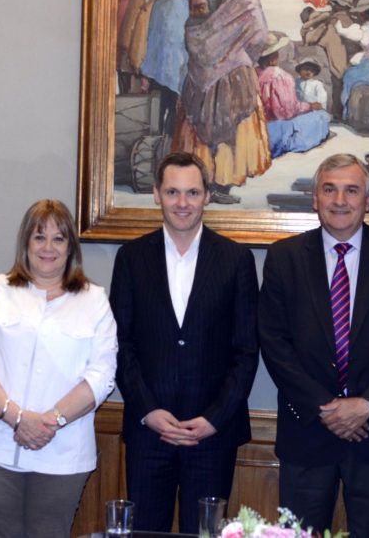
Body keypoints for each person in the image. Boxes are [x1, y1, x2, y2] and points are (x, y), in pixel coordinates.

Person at [258, 154, 369, 538]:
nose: (340, 200)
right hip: (307, 434)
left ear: (368, 200)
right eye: (329, 189)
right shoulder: (284, 257)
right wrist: (329, 411)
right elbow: (274, 344)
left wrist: (365, 406)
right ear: (315, 198)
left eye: (351, 190)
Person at [110, 151, 259, 534]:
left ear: (207, 195)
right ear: (156, 194)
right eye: (173, 192)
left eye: (192, 192)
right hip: (149, 433)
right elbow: (120, 344)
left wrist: (214, 418)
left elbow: (246, 351)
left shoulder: (236, 259)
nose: (182, 203)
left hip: (211, 434)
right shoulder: (130, 258)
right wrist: (148, 410)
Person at [0, 199, 117, 538]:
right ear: (25, 243)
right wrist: (16, 417)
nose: (48, 247)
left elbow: (101, 377)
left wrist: (49, 421)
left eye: (59, 238)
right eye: (39, 237)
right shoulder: (0, 290)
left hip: (62, 449)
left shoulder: (94, 300)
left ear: (71, 246)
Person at [175, 0, 273, 204]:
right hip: (234, 75)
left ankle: (201, 183)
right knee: (231, 126)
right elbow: (260, 36)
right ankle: (221, 186)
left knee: (202, 124)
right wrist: (242, 57)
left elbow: (194, 33)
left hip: (202, 76)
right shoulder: (248, 0)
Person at [143, 0, 204, 138]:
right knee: (178, 124)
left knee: (158, 120)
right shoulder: (192, 3)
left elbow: (152, 37)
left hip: (156, 72)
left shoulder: (160, 2)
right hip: (180, 73)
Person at [256, 36, 330, 158]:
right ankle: (289, 143)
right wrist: (309, 106)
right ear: (272, 59)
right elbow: (288, 111)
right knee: (319, 118)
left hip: (256, 127)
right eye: (276, 54)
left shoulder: (251, 74)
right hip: (274, 130)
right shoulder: (281, 77)